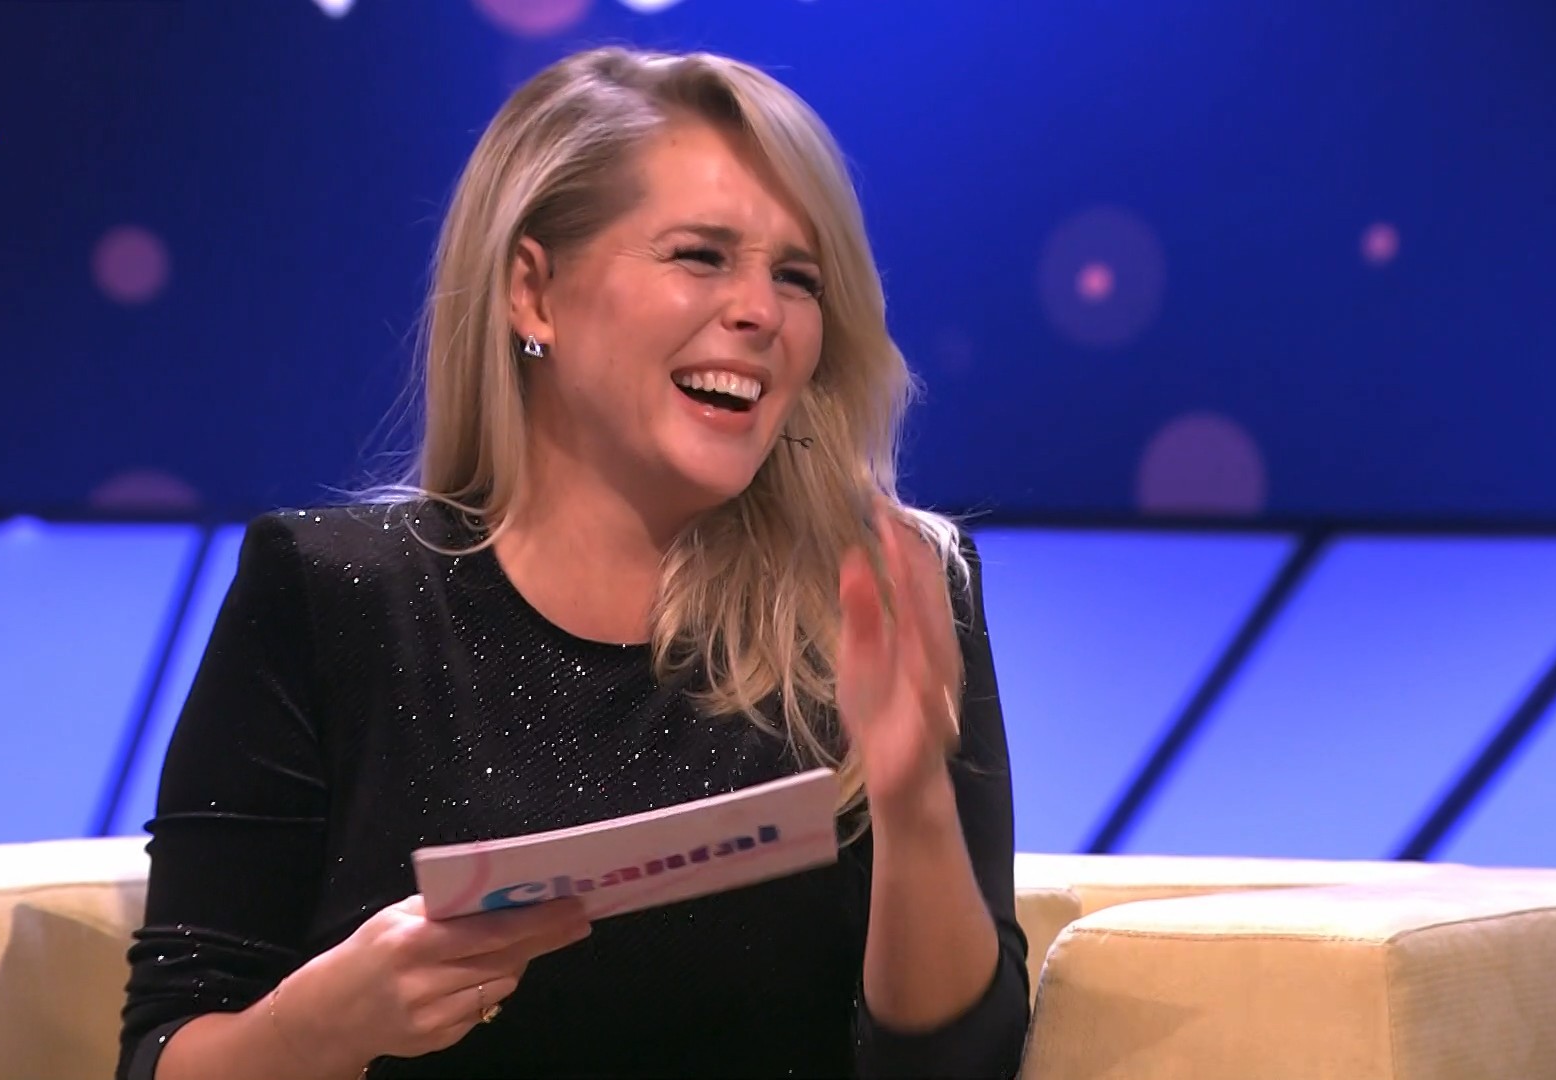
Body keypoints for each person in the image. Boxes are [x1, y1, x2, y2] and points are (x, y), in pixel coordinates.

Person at [117, 45, 1029, 1080]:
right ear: (533, 292)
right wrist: (325, 1024)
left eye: (796, 277)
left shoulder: (889, 591)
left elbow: (965, 1067)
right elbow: (163, 1054)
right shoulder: (331, 597)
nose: (761, 312)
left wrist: (913, 805)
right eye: (701, 256)